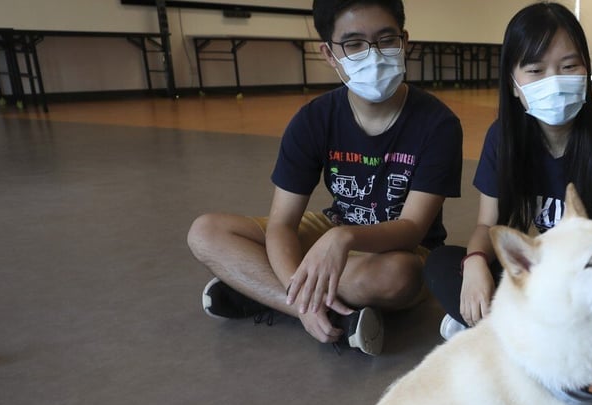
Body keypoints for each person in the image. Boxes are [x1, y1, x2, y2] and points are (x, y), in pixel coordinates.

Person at [187, 0, 463, 356]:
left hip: (399, 249)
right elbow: (283, 223)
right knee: (206, 232)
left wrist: (343, 238)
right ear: (330, 54)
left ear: (404, 41)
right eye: (353, 44)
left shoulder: (438, 125)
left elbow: (411, 227)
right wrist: (302, 295)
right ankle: (319, 311)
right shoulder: (313, 119)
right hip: (331, 231)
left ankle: (258, 290)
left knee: (400, 276)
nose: (373, 55)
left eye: (385, 39)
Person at [423, 1, 592, 340]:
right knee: (442, 264)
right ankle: (529, 338)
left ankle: (495, 333)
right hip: (548, 279)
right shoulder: (503, 138)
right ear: (512, 82)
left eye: (569, 66)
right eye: (536, 70)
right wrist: (476, 261)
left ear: (586, 69)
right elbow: (488, 224)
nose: (554, 81)